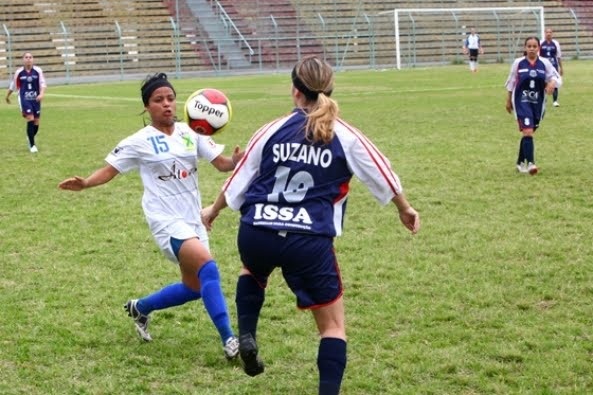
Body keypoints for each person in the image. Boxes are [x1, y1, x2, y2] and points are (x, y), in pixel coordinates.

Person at [201, 56, 420, 394]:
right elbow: (382, 170)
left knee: (252, 271)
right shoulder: (344, 135)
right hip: (308, 240)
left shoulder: (271, 129)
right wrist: (404, 208)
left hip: (257, 229)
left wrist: (213, 211)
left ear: (294, 91)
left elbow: (241, 174)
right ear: (329, 90)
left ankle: (247, 333)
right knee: (333, 327)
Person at [58, 72, 243, 359]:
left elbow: (221, 164)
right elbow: (110, 169)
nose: (167, 104)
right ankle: (230, 339)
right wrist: (85, 183)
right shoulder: (139, 141)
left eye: (170, 98)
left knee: (195, 288)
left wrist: (236, 160)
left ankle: (141, 307)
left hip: (192, 219)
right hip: (165, 221)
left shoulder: (192, 132)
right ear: (147, 106)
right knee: (209, 268)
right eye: (159, 100)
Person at [505, 37, 562, 175]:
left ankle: (519, 163)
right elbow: (511, 81)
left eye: (534, 46)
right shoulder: (518, 63)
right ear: (525, 48)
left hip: (537, 103)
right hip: (521, 101)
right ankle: (531, 164)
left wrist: (551, 83)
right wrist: (508, 100)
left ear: (538, 48)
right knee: (528, 131)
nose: (531, 48)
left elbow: (556, 78)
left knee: (528, 133)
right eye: (529, 46)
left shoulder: (545, 63)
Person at [5, 52, 47, 153]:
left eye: (30, 57)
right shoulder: (19, 72)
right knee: (30, 118)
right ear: (23, 60)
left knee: (36, 122)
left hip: (35, 99)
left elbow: (43, 83)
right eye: (26, 57)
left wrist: (41, 94)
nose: (28, 59)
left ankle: (30, 137)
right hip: (24, 98)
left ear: (33, 59)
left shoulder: (38, 71)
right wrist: (7, 96)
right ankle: (32, 146)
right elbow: (13, 85)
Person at [540, 28, 563, 107]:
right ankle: (543, 99)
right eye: (547, 32)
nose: (548, 34)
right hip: (543, 66)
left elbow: (558, 56)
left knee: (555, 82)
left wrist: (561, 67)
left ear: (552, 33)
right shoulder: (541, 43)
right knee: (542, 82)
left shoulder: (555, 43)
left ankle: (555, 101)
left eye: (550, 32)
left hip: (554, 66)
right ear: (545, 33)